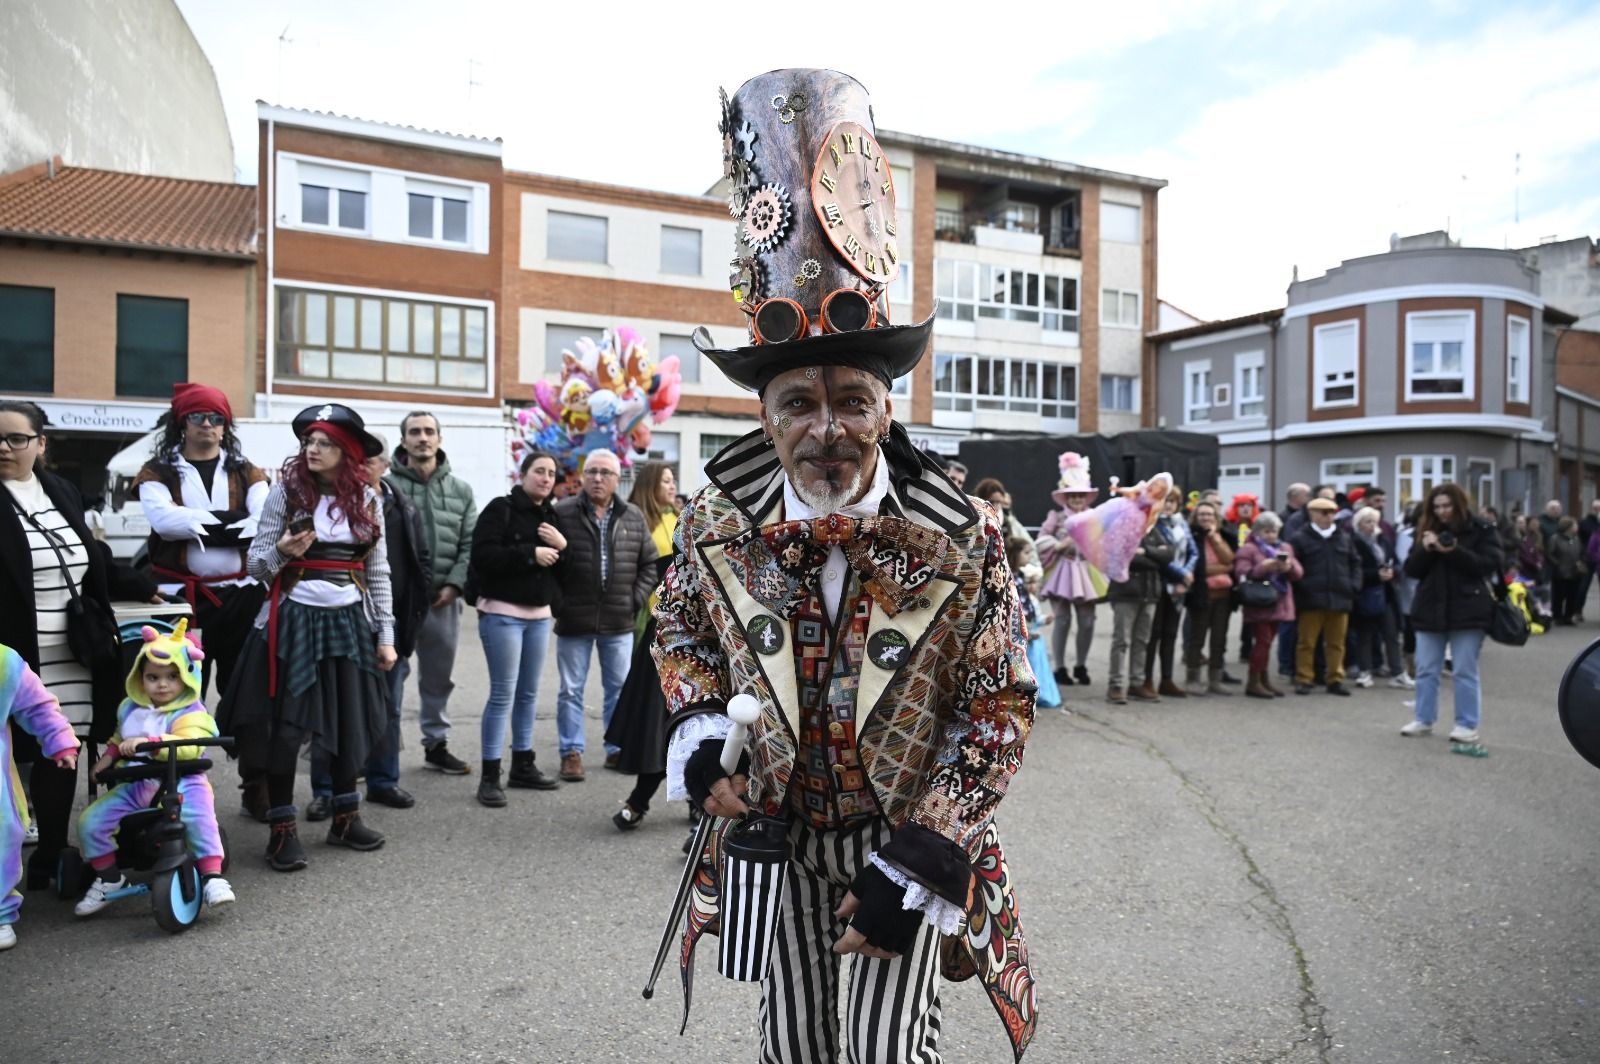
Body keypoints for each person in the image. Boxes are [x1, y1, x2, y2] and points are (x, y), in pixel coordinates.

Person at [652, 68, 1037, 1062]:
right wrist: (699, 737)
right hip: (774, 844)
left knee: (880, 1051)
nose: (826, 428)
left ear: (887, 409)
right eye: (797, 403)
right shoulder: (715, 520)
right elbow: (683, 630)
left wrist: (922, 852)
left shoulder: (960, 536)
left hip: (901, 838)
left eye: (851, 400)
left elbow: (997, 701)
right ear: (764, 415)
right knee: (792, 1045)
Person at [216, 404, 396, 871]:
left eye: (325, 443)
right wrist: (280, 550)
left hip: (349, 621)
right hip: (291, 620)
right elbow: (255, 567)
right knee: (284, 728)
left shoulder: (369, 500)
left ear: (348, 451)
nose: (313, 449)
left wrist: (387, 635)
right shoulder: (286, 493)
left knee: (348, 722)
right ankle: (282, 829)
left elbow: (378, 571)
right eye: (309, 442)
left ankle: (344, 817)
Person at [0, 400, 135, 891]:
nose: (4, 447)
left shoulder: (60, 490)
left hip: (73, 651)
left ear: (41, 444)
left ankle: (51, 857)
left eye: (16, 438)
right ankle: (5, 865)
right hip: (14, 654)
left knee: (63, 751)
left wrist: (142, 584)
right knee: (10, 757)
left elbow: (88, 556)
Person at [134, 384, 271, 819]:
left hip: (242, 597)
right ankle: (167, 792)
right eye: (198, 418)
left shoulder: (247, 471)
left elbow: (264, 521)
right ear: (182, 424)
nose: (207, 426)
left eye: (216, 419)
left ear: (225, 425)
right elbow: (164, 521)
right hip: (182, 602)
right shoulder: (159, 471)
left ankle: (256, 785)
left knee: (247, 693)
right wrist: (230, 524)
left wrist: (203, 524)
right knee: (170, 693)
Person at [74, 621, 234, 915]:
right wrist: (107, 758)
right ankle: (109, 877)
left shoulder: (191, 712)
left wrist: (152, 742)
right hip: (136, 784)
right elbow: (119, 739)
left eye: (172, 676)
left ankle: (212, 875)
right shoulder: (130, 710)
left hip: (182, 780)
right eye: (153, 677)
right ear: (139, 678)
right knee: (91, 821)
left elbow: (189, 745)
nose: (162, 684)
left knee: (200, 816)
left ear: (187, 676)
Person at [308, 435, 431, 817]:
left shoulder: (402, 507)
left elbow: (419, 563)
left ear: (384, 466)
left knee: (389, 708)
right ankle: (325, 790)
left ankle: (383, 781)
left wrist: (408, 620)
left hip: (389, 623)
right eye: (356, 462)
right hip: (343, 620)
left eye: (368, 462)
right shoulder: (329, 504)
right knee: (330, 709)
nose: (360, 469)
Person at [552, 448, 658, 782]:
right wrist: (559, 603)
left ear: (617, 479)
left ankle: (616, 747)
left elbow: (649, 565)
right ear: (583, 477)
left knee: (618, 688)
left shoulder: (632, 515)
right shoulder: (562, 512)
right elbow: (550, 566)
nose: (598, 478)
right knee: (571, 689)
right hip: (574, 619)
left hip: (618, 619)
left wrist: (634, 599)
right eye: (593, 472)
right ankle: (571, 752)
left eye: (605, 473)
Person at [468, 449, 566, 807]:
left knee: (528, 695)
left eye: (551, 473)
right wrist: (530, 554)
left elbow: (565, 569)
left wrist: (563, 546)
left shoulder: (551, 516)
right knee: (502, 694)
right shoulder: (500, 508)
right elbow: (482, 556)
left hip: (539, 616)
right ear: (523, 474)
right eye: (538, 471)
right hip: (502, 614)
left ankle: (523, 765)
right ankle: (490, 776)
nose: (545, 478)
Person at [386, 411, 477, 776]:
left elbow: (470, 543)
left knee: (438, 677)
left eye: (428, 431)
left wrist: (455, 583)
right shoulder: (386, 486)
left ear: (439, 438)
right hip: (396, 604)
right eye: (414, 432)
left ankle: (436, 745)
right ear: (404, 440)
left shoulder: (460, 491)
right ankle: (384, 751)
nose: (422, 438)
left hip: (443, 600)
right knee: (390, 677)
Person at [606, 462, 679, 828]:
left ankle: (696, 807)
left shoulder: (679, 517)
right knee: (653, 718)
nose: (672, 485)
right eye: (665, 480)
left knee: (688, 718)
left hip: (694, 630)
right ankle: (641, 799)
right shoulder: (638, 520)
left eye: (673, 479)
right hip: (656, 625)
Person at [1401, 482, 1504, 742]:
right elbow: (1411, 570)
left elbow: (1489, 564)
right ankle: (1423, 719)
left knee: (1464, 670)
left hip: (1469, 609)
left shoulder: (1481, 528)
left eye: (1447, 506)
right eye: (1436, 507)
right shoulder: (1426, 529)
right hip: (1429, 607)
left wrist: (1453, 551)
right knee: (1425, 669)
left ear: (1459, 504)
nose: (1442, 512)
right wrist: (1426, 549)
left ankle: (1467, 724)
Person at [0, 646, 79, 950]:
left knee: (4, 835)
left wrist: (59, 740)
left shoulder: (5, 663)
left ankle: (2, 912)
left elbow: (38, 706)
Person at [1037, 451, 1103, 687]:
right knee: (1062, 619)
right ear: (1066, 497)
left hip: (1086, 571)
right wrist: (1060, 544)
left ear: (1086, 497)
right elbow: (1040, 540)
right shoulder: (1055, 516)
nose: (1077, 498)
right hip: (1062, 572)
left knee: (1087, 620)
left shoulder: (1095, 517)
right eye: (1072, 495)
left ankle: (1081, 665)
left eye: (1080, 495)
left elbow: (1104, 543)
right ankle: (1060, 668)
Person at [1288, 497, 1361, 696]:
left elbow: (1355, 563)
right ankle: (1304, 678)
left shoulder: (1344, 537)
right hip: (1311, 598)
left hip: (1340, 597)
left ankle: (1335, 678)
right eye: (1324, 512)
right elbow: (1294, 567)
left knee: (1337, 643)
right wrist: (1303, 587)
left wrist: (1353, 585)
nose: (1329, 516)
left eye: (1332, 512)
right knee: (1307, 642)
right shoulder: (1300, 538)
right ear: (1313, 514)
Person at [1233, 512, 1300, 698]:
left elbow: (1299, 573)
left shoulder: (1284, 547)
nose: (1271, 535)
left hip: (1280, 600)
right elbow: (1242, 573)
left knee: (1268, 643)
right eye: (1267, 531)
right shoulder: (1249, 549)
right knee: (1263, 642)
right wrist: (1264, 567)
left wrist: (1289, 567)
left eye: (1274, 531)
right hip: (1259, 601)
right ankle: (1253, 681)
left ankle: (1264, 679)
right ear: (1257, 531)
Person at [1107, 520, 1175, 703]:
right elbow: (1125, 557)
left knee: (1142, 641)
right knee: (1121, 640)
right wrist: (1155, 557)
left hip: (1149, 593)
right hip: (1126, 592)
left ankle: (1136, 683)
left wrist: (1146, 552)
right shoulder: (1121, 530)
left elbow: (1169, 554)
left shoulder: (1153, 531)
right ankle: (1116, 684)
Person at [1146, 486, 1197, 698]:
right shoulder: (1152, 524)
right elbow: (1161, 557)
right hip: (1160, 584)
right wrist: (1181, 574)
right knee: (1153, 634)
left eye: (1173, 501)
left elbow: (1193, 551)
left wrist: (1186, 574)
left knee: (1170, 634)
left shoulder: (1182, 523)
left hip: (1179, 587)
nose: (1168, 505)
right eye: (1165, 501)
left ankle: (1166, 679)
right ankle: (1146, 679)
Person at [1185, 500, 1236, 695]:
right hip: (1201, 594)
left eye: (1210, 515)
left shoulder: (1223, 536)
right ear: (1195, 518)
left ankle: (1215, 679)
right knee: (1197, 638)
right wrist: (1222, 569)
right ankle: (1193, 679)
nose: (1206, 518)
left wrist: (1214, 538)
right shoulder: (1192, 537)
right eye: (1202, 515)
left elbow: (1230, 560)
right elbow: (1198, 568)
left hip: (1223, 596)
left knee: (1219, 639)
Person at [1348, 507, 1400, 687]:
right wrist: (1375, 575)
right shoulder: (1354, 542)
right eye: (1367, 521)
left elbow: (1395, 561)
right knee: (1365, 635)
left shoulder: (1383, 541)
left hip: (1385, 593)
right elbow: (1354, 569)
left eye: (1374, 521)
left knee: (1391, 633)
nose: (1372, 525)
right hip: (1365, 594)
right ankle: (1365, 672)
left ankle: (1398, 672)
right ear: (1358, 524)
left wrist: (1392, 572)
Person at [1009, 543, 1060, 710]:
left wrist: (1041, 620)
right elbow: (1015, 609)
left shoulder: (1020, 576)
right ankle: (1023, 698)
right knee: (1021, 667)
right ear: (1014, 554)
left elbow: (1027, 608)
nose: (1028, 556)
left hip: (1031, 632)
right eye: (1025, 552)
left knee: (1034, 666)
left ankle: (1034, 696)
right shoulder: (1011, 578)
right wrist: (1026, 631)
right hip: (1021, 634)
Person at [971, 477, 1036, 568]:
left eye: (999, 502)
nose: (996, 506)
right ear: (982, 499)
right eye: (992, 501)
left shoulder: (1005, 520)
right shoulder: (974, 517)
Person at [1548, 515, 1584, 625]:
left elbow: (1581, 552)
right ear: (1568, 526)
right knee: (1558, 596)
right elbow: (1549, 553)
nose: (1576, 527)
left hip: (1574, 572)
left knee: (1572, 596)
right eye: (1574, 525)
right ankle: (1557, 617)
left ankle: (1568, 616)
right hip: (1560, 572)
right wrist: (1557, 564)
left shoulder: (1576, 538)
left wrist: (1580, 562)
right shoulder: (1555, 538)